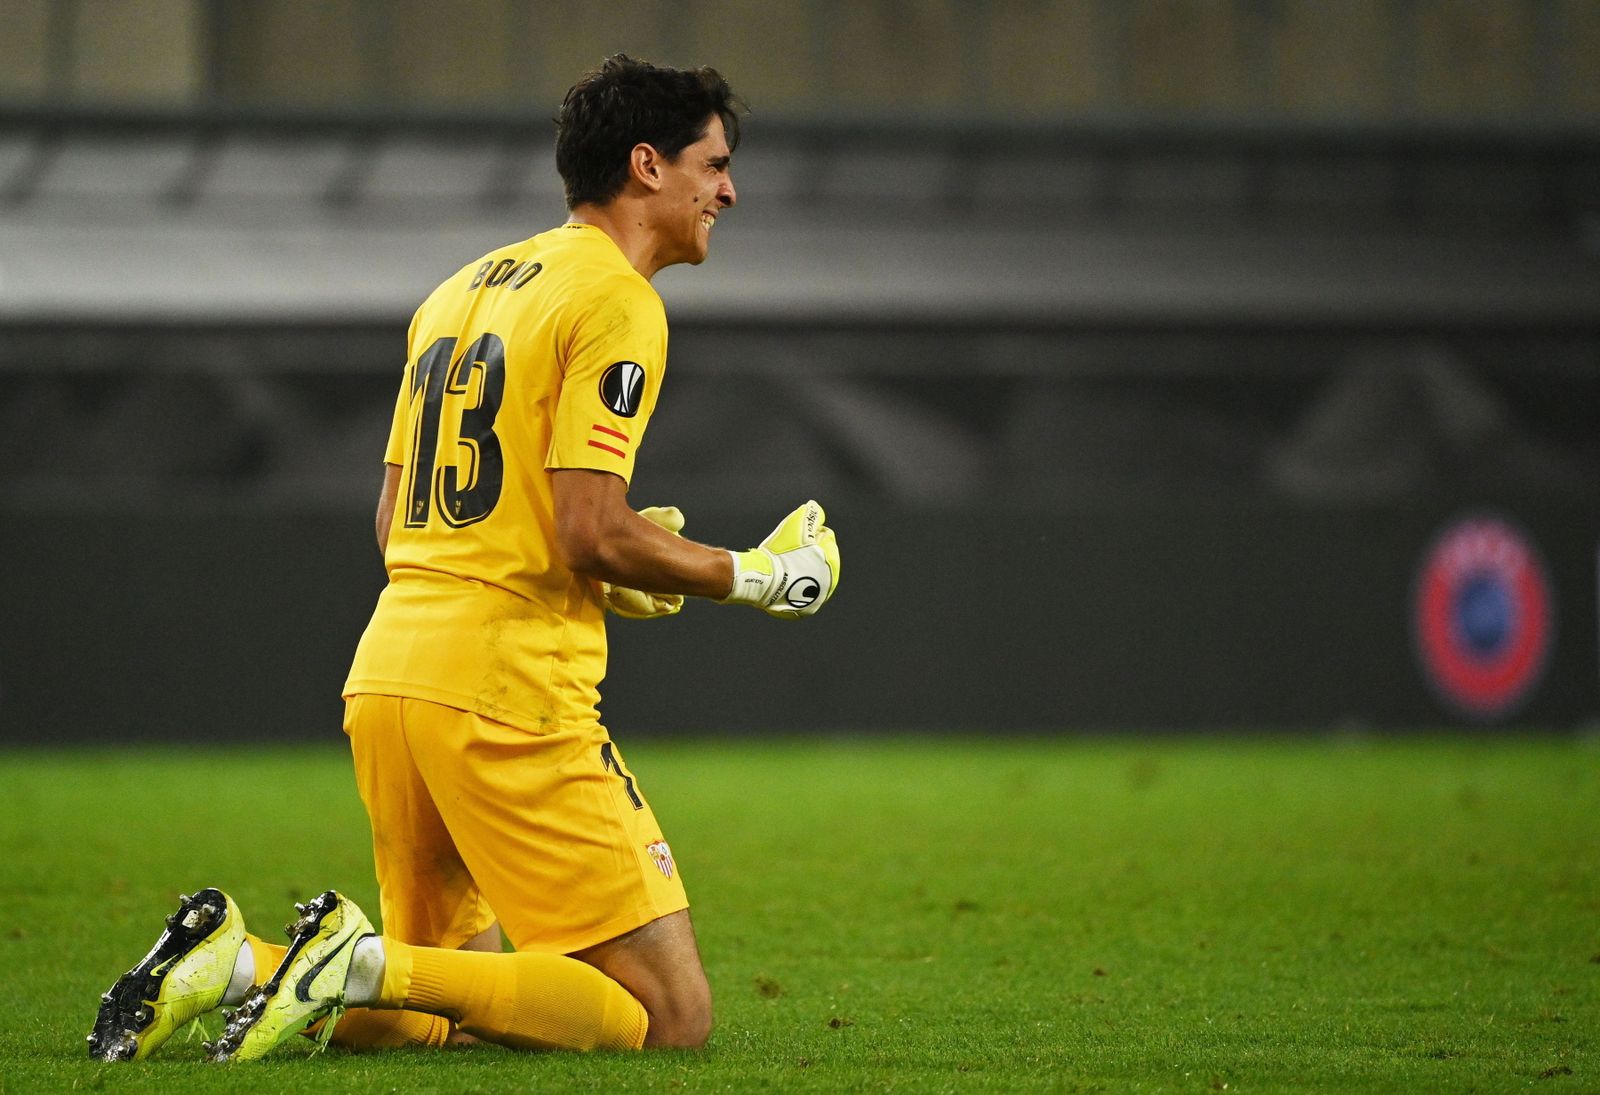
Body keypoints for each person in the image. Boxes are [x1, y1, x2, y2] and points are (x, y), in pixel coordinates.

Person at [87, 54, 840, 1064]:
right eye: (714, 164)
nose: (729, 190)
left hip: (392, 675)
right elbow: (590, 527)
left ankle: (235, 966)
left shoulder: (456, 291)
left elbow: (401, 523)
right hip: (504, 689)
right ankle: (355, 959)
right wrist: (755, 576)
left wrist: (607, 561)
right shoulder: (615, 301)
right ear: (648, 165)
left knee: (427, 1010)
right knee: (666, 1018)